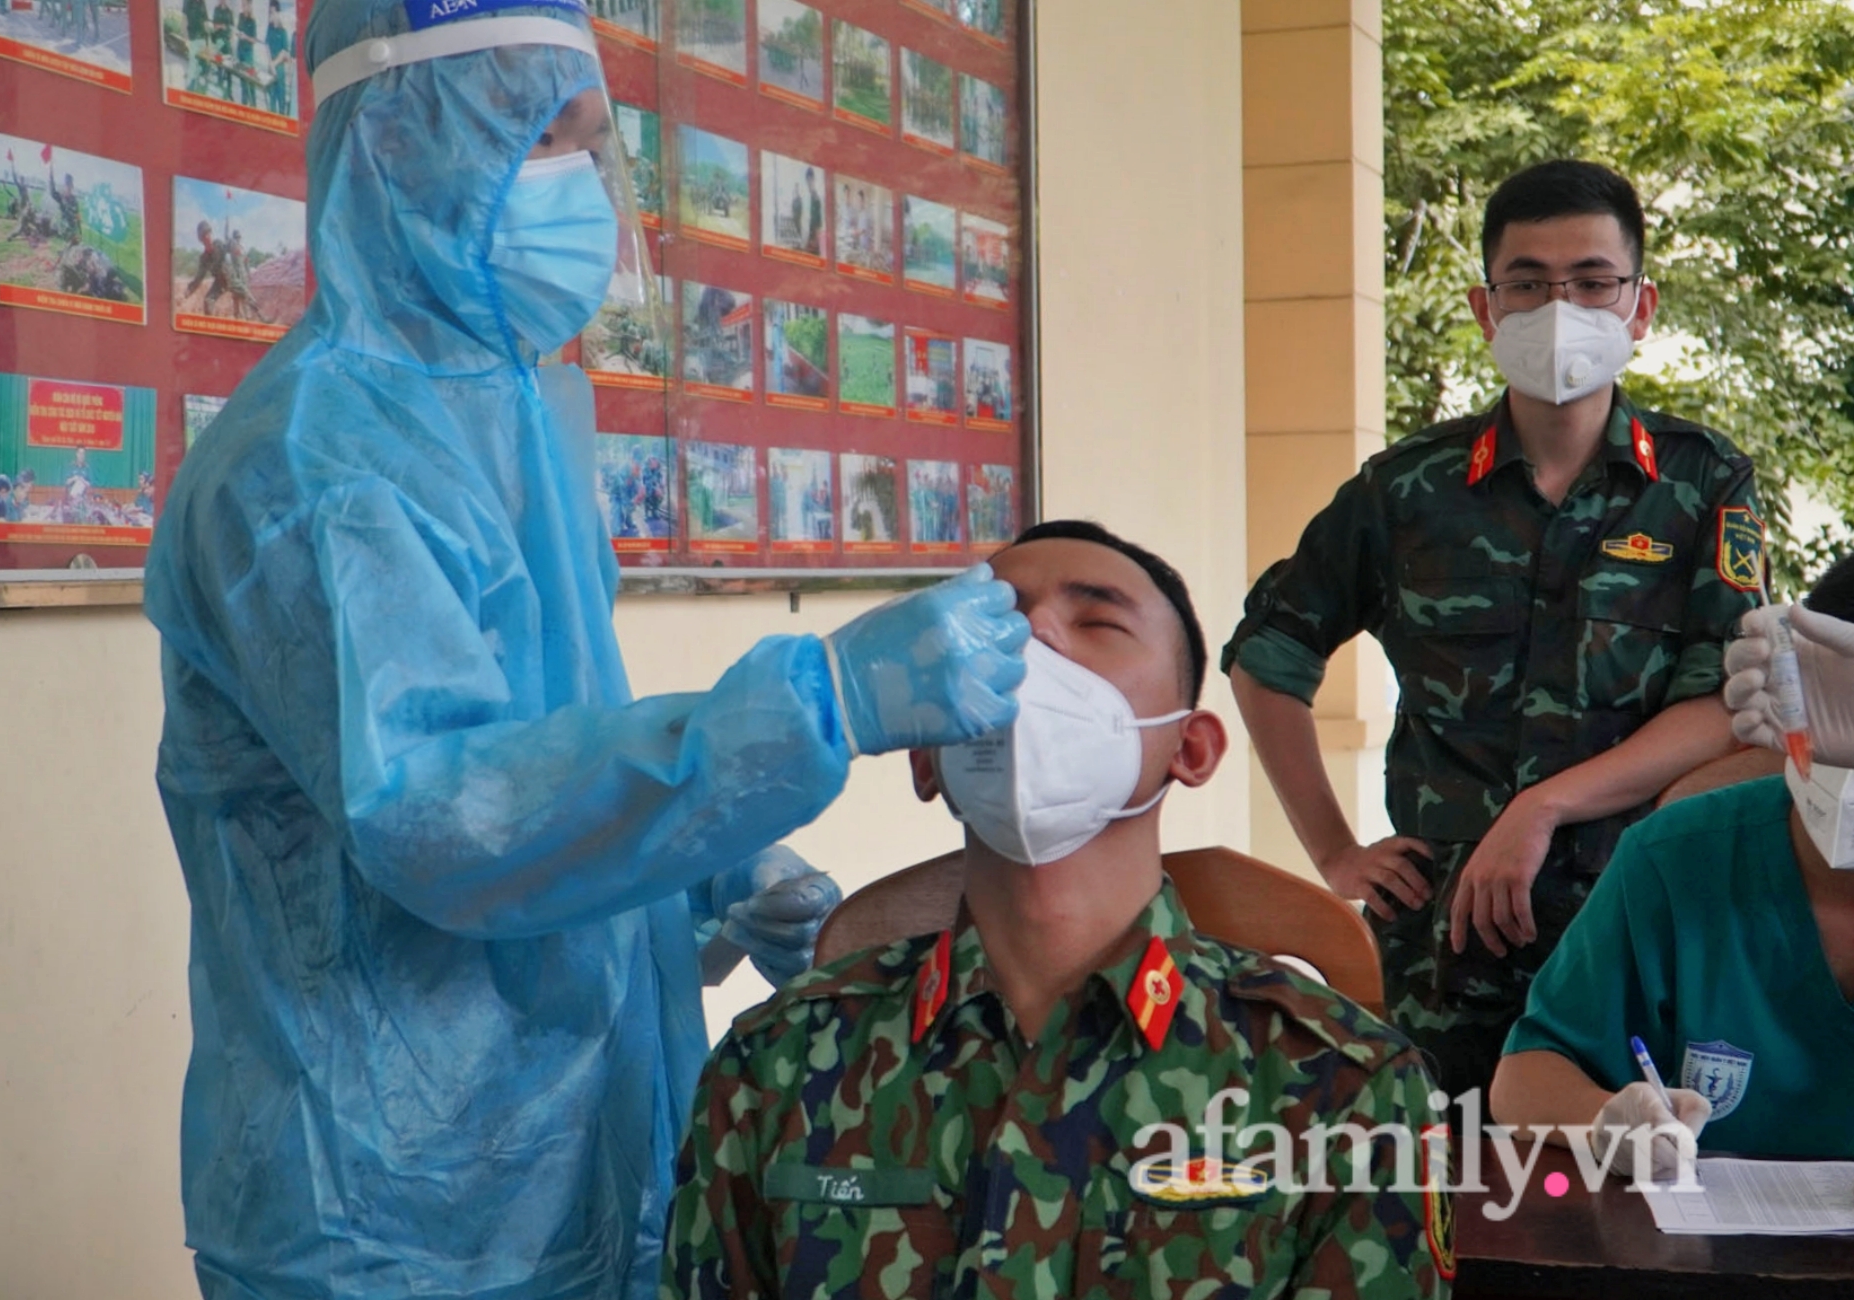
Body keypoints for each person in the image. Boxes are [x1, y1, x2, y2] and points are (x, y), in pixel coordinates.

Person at [140, 5, 1031, 1299]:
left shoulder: (516, 412)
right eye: (539, 141)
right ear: (399, 145)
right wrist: (819, 703)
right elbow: (441, 815)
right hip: (392, 1207)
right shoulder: (310, 469)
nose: (583, 189)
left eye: (591, 143)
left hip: (577, 1156)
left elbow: (546, 743)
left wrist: (701, 867)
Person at [665, 521, 1452, 1300]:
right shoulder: (776, 1067)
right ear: (926, 757)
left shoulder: (1345, 1085)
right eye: (994, 624)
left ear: (1191, 750)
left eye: (1096, 619)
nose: (1032, 643)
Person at [1223, 160, 1766, 1101]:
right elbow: (1268, 656)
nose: (1562, 306)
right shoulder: (1407, 491)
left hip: (1633, 925)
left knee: (1637, 1194)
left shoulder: (1703, 481)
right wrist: (1333, 851)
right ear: (1487, 307)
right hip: (1443, 953)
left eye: (1593, 281)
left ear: (1639, 307)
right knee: (1445, 1213)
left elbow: (1725, 706)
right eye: (1528, 282)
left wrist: (1543, 806)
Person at [1491, 553, 1854, 1168]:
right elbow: (1524, 1077)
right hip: (1702, 1253)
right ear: (1791, 719)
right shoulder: (1680, 859)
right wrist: (1605, 1123)